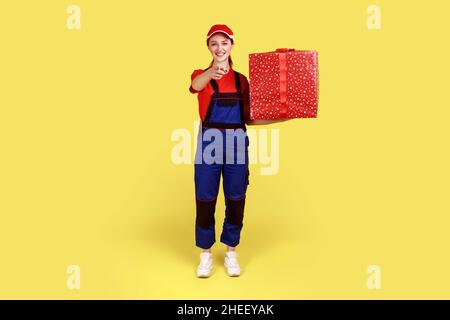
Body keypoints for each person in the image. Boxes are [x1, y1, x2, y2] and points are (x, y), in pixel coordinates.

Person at [189, 24, 288, 278]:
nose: (219, 48)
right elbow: (195, 86)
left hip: (236, 144)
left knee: (236, 197)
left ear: (232, 45)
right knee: (205, 197)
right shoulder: (202, 74)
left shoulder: (242, 80)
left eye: (224, 43)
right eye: (214, 44)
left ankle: (231, 252)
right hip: (209, 144)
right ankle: (206, 255)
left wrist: (282, 117)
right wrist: (212, 72)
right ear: (208, 48)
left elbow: (250, 118)